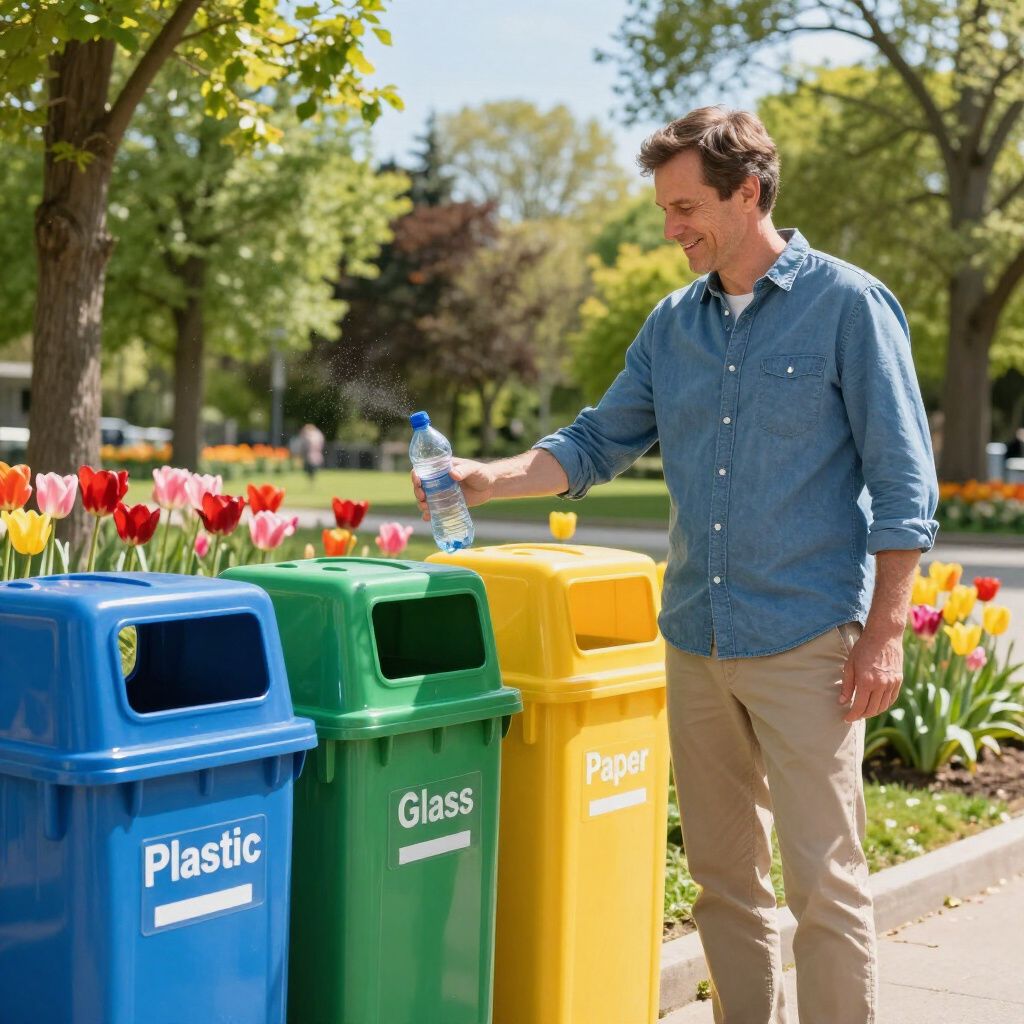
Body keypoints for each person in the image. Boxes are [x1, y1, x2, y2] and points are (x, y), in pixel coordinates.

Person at [412, 107, 937, 1024]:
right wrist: (487, 478)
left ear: (749, 192)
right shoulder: (672, 326)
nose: (670, 228)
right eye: (663, 207)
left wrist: (883, 632)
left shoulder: (848, 306)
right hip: (696, 639)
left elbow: (904, 484)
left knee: (826, 884)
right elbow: (592, 443)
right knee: (724, 882)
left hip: (808, 639)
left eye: (687, 205)